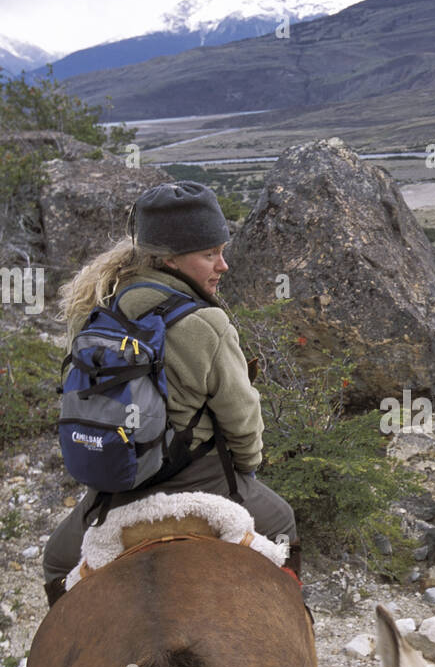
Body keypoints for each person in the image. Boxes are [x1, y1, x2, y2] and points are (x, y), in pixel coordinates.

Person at [43, 181, 300, 605]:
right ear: (169, 259)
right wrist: (248, 470)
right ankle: (297, 620)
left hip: (117, 484)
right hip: (202, 478)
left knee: (57, 559)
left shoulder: (100, 307)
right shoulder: (207, 323)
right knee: (282, 522)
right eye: (209, 254)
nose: (223, 265)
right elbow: (242, 417)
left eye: (221, 250)